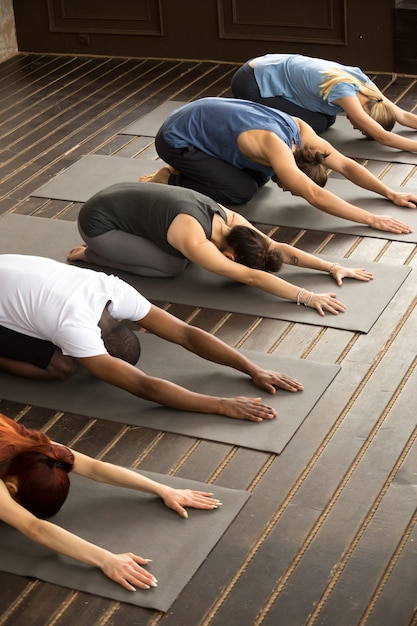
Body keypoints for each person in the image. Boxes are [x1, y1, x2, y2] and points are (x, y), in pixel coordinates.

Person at [0, 254, 304, 420]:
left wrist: (254, 369)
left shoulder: (114, 291)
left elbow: (187, 334)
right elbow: (144, 387)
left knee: (58, 344)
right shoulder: (75, 329)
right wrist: (221, 405)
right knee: (64, 368)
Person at [68, 182, 374, 316]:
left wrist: (332, 267)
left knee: (181, 257)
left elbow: (276, 246)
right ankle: (93, 254)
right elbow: (252, 278)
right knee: (171, 266)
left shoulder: (233, 221)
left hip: (120, 199)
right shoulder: (195, 239)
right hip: (98, 222)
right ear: (230, 256)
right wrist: (307, 297)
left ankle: (114, 246)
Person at [0, 412, 220, 591]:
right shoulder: (29, 450)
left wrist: (163, 489)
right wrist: (106, 560)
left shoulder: (39, 450)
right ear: (12, 488)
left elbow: (94, 468)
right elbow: (33, 527)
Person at [139, 97, 416, 234]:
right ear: (293, 173)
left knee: (258, 178)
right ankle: (170, 178)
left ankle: (192, 168)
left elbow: (346, 164)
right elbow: (315, 195)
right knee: (241, 193)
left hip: (197, 116)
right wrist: (371, 219)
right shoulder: (276, 149)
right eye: (293, 189)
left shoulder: (303, 134)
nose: (288, 191)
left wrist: (390, 193)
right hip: (175, 138)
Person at [230, 53, 417, 147]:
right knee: (316, 124)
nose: (356, 128)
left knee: (328, 118)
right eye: (363, 128)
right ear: (368, 115)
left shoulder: (368, 89)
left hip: (265, 64)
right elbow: (382, 136)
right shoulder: (343, 92)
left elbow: (401, 115)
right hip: (249, 81)